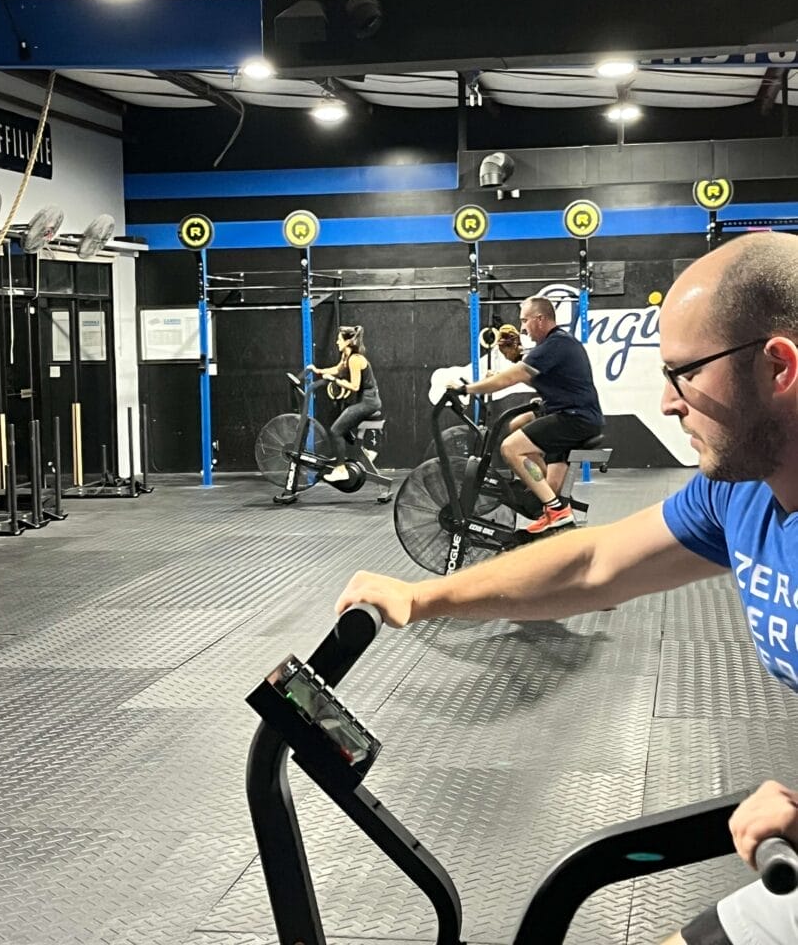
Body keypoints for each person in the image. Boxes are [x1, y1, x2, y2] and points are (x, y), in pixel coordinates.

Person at [337, 231, 798, 945]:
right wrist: (425, 598)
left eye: (684, 374)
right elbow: (594, 564)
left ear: (778, 367)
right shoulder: (742, 496)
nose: (669, 404)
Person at [451, 296, 604, 535]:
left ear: (540, 319)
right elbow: (534, 376)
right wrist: (510, 363)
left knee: (511, 448)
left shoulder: (556, 345)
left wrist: (466, 389)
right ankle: (551, 502)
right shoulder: (555, 345)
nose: (522, 328)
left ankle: (556, 512)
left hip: (574, 418)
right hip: (571, 414)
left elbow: (512, 378)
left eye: (525, 321)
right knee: (518, 423)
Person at [308, 325, 382, 482]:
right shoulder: (346, 357)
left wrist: (335, 380)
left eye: (339, 339)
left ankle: (341, 470)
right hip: (366, 400)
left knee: (336, 431)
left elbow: (354, 386)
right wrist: (318, 371)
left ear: (348, 341)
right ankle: (365, 453)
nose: (336, 342)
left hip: (369, 402)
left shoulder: (355, 359)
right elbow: (337, 369)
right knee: (341, 423)